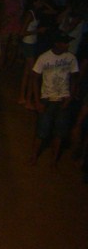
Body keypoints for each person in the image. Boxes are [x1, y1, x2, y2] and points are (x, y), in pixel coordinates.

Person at [30, 31, 79, 166]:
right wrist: (37, 101)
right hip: (47, 99)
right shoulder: (44, 58)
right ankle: (34, 156)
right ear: (57, 43)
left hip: (63, 99)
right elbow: (35, 79)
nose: (67, 45)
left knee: (59, 133)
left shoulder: (71, 58)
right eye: (65, 43)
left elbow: (74, 79)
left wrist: (69, 97)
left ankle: (53, 160)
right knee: (41, 131)